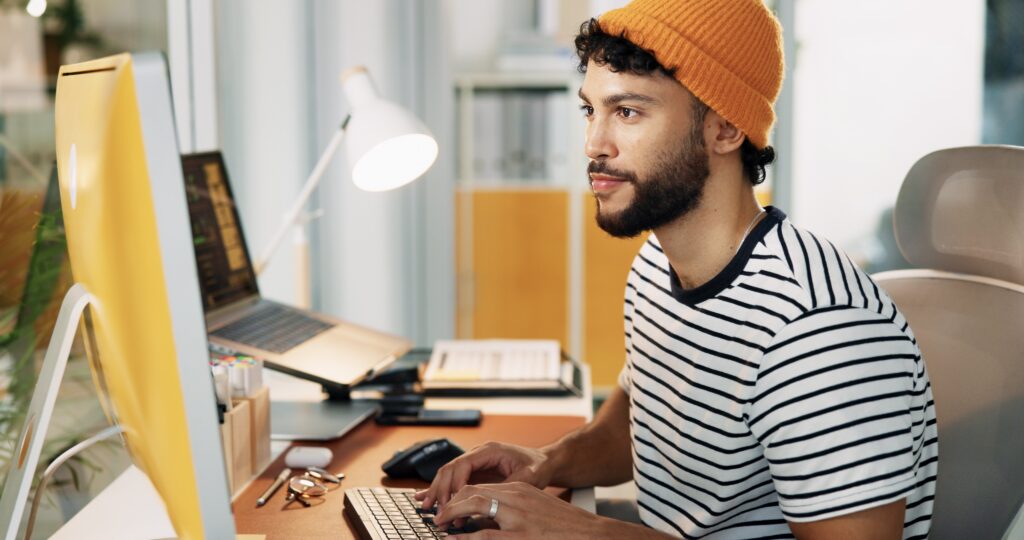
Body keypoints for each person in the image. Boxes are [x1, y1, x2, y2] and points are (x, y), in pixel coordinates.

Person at [417, 0, 938, 537]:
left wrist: (586, 532)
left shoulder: (816, 329)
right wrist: (544, 462)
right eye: (590, 110)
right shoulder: (655, 268)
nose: (594, 145)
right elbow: (634, 436)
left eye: (628, 112)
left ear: (726, 130)